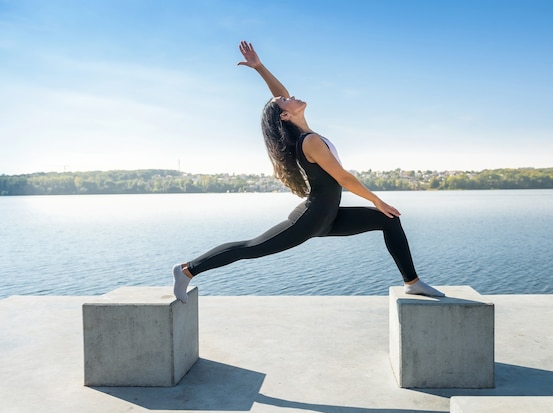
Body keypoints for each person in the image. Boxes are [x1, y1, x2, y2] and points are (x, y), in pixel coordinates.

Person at [172, 40, 444, 303]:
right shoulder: (310, 142)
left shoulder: (306, 133)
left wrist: (259, 67)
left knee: (389, 221)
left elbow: (279, 95)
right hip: (310, 219)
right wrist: (376, 200)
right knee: (250, 248)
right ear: (285, 116)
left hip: (328, 217)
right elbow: (344, 178)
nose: (289, 97)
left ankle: (412, 283)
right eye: (285, 101)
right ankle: (187, 270)